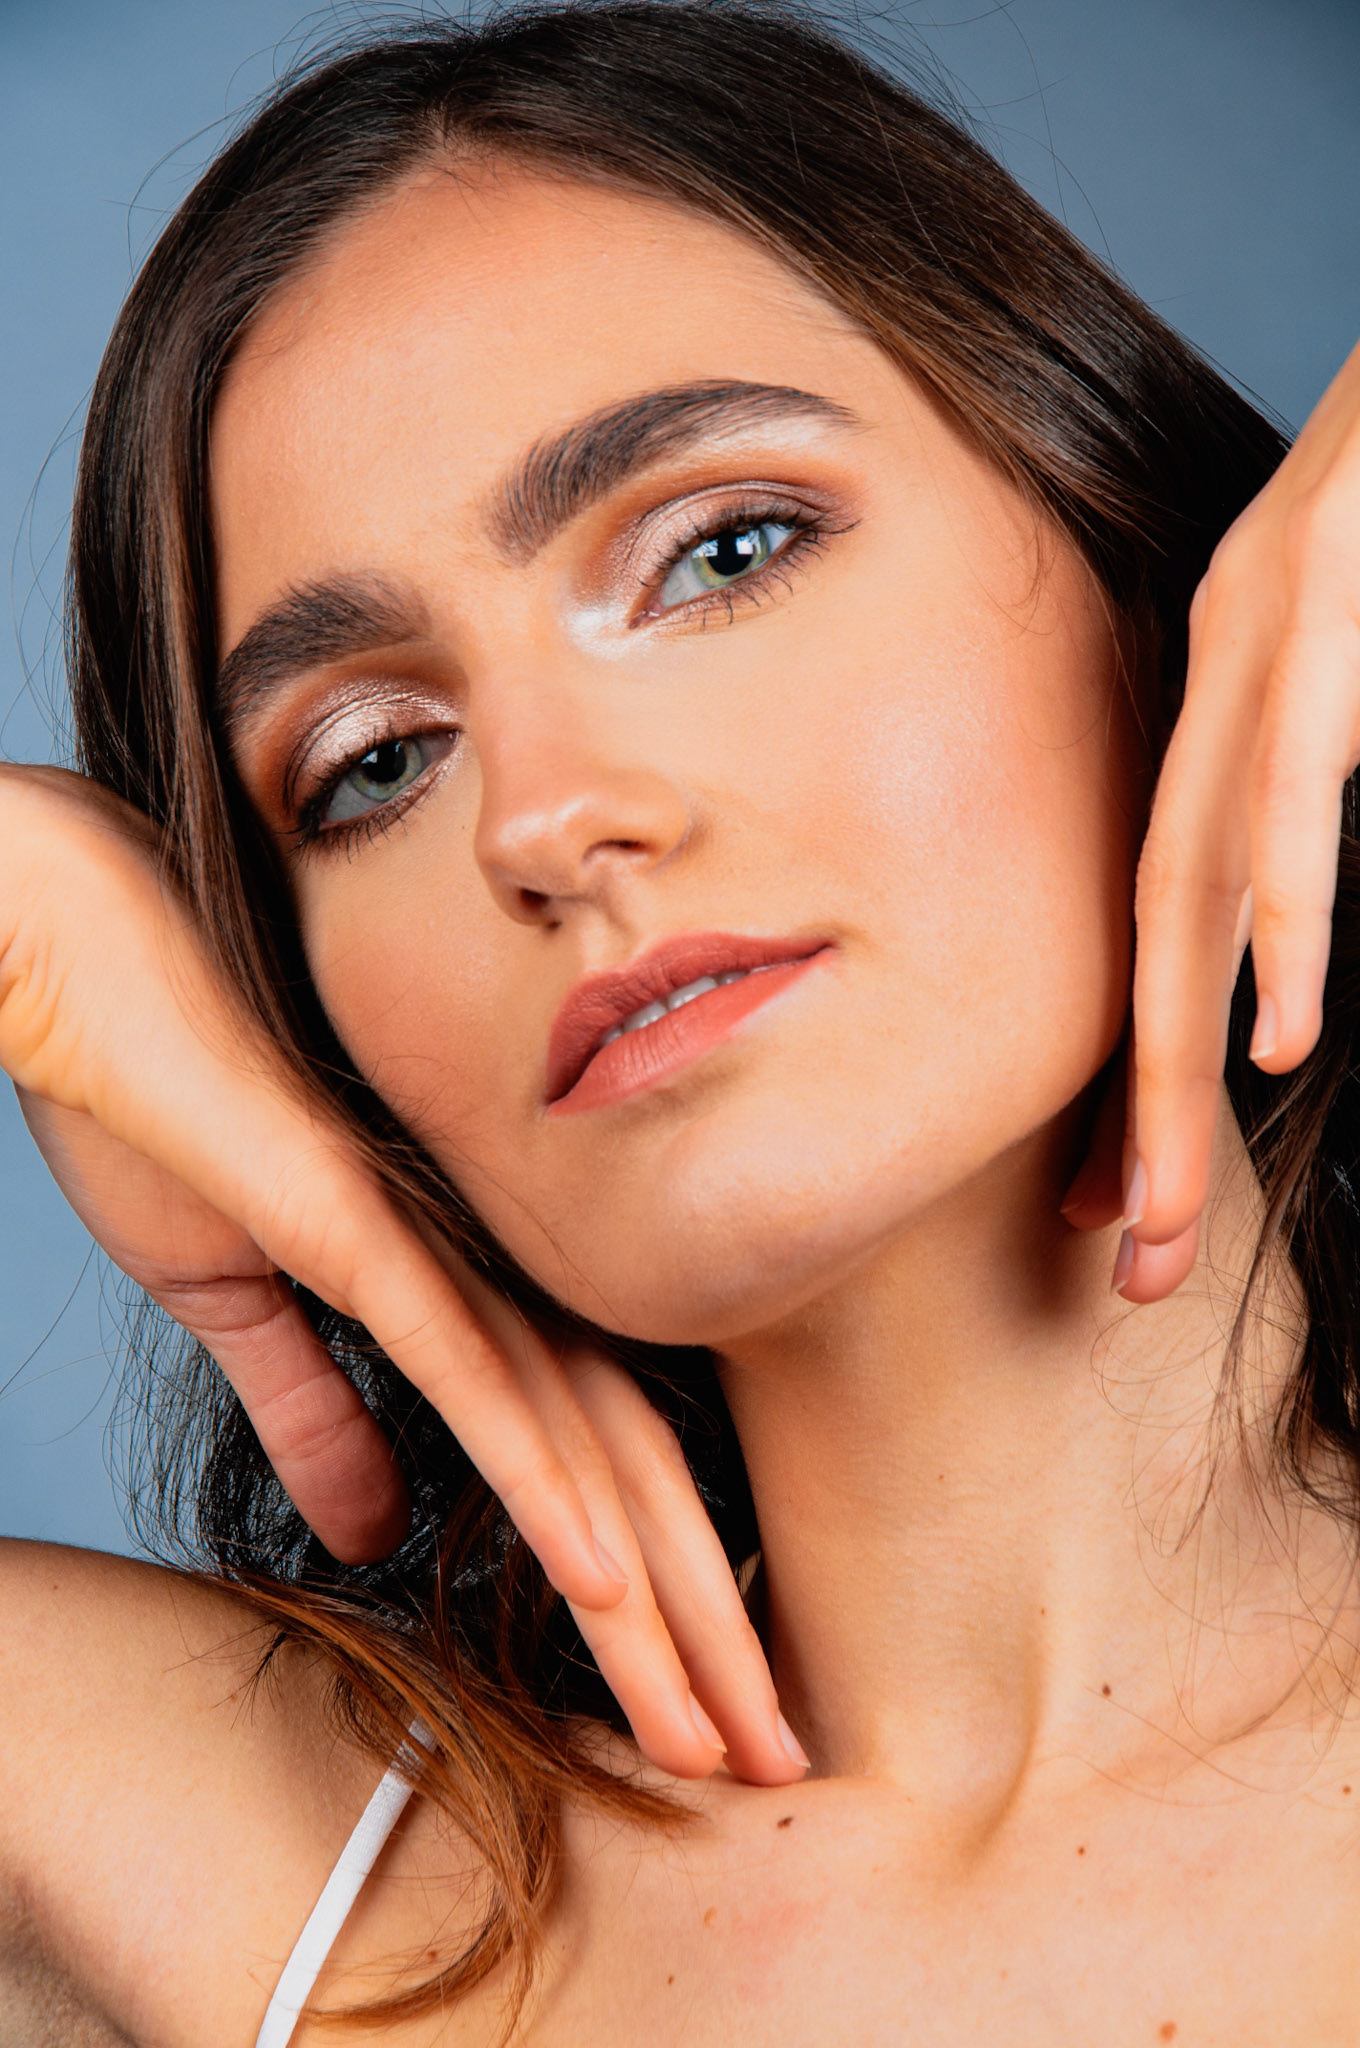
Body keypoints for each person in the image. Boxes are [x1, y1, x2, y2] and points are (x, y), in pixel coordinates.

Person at [4, 2, 1360, 2039]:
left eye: (726, 548)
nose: (542, 821)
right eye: (374, 762)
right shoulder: (200, 1857)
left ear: (1141, 553)